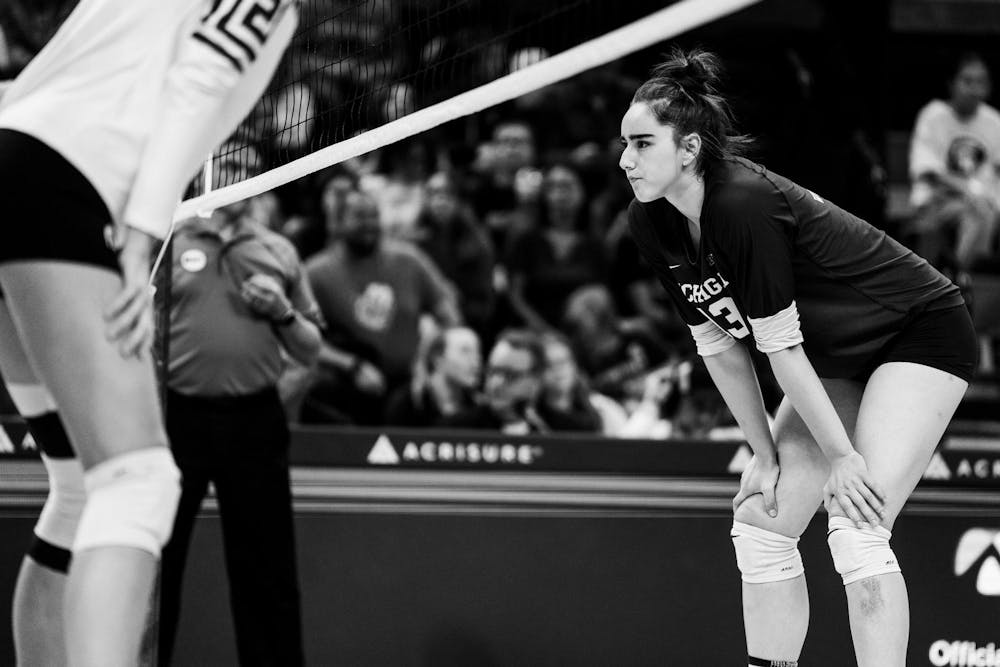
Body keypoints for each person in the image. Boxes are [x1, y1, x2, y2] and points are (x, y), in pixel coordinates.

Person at [621, 48, 976, 667]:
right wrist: (762, 453)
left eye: (643, 143)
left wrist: (841, 457)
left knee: (856, 524)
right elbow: (719, 345)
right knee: (761, 521)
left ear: (689, 150)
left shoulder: (742, 206)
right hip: (834, 356)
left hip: (917, 332)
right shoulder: (651, 222)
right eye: (624, 144)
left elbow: (779, 350)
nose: (626, 160)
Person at [0, 1, 298, 664]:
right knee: (138, 481)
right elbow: (201, 78)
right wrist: (139, 240)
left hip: (20, 159)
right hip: (56, 180)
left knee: (81, 486)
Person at [157, 144, 321, 666]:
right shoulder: (168, 241)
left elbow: (310, 348)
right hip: (176, 419)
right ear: (204, 177)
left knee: (267, 569)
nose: (240, 176)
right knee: (160, 564)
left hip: (254, 420)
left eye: (250, 169)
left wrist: (283, 311)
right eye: (229, 166)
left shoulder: (278, 250)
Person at [303, 188, 461, 424]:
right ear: (338, 222)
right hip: (347, 385)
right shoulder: (317, 272)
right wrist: (351, 366)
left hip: (410, 383)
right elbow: (299, 338)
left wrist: (426, 359)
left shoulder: (409, 260)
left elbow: (450, 317)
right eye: (359, 216)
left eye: (374, 215)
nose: (369, 224)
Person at [908, 52, 1000, 274]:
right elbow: (928, 171)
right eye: (967, 81)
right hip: (938, 201)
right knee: (976, 215)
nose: (975, 89)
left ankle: (955, 278)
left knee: (982, 215)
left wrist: (982, 196)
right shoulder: (933, 115)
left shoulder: (994, 121)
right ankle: (958, 282)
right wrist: (967, 190)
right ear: (952, 83)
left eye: (981, 82)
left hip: (980, 205)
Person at [440, 328, 549, 434]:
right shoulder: (455, 430)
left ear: (535, 380)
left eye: (510, 375)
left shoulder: (555, 429)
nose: (496, 383)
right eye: (493, 371)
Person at [383, 324, 482, 427]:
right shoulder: (407, 405)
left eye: (478, 352)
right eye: (465, 351)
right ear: (438, 359)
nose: (476, 361)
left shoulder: (478, 408)